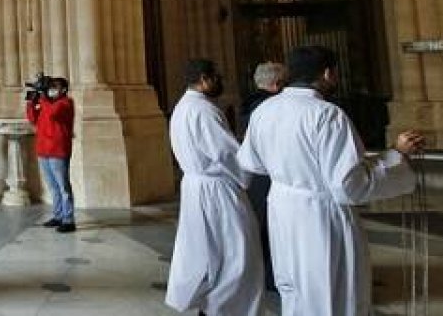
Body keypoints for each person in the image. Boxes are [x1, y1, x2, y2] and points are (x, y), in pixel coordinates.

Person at [238, 45, 425, 316]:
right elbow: (348, 185)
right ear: (327, 73)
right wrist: (396, 155)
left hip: (283, 209)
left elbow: (251, 162)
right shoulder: (326, 114)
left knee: (295, 291)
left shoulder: (265, 110)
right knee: (331, 294)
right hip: (320, 217)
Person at [165, 59, 264, 315]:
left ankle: (212, 306)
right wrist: (247, 171)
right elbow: (225, 152)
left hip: (197, 186)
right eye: (216, 76)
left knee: (211, 253)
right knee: (236, 254)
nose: (220, 81)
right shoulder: (203, 110)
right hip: (216, 189)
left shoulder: (183, 107)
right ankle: (222, 308)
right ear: (203, 79)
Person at [243, 61, 286, 292]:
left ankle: (268, 273)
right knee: (273, 228)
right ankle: (273, 274)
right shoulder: (270, 106)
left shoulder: (250, 105)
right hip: (272, 174)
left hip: (258, 175)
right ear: (277, 84)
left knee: (263, 224)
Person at [25, 75, 76, 231]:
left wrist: (43, 97)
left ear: (64, 89)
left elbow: (53, 113)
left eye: (55, 87)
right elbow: (33, 119)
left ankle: (68, 220)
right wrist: (31, 103)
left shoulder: (66, 103)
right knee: (53, 187)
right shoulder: (46, 103)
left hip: (58, 151)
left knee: (63, 186)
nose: (52, 90)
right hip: (43, 150)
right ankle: (58, 215)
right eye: (50, 87)